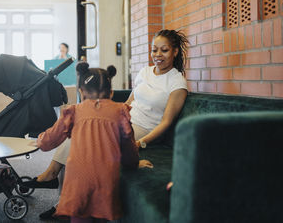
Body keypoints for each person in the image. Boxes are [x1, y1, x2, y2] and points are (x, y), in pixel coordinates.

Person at [26, 29, 189, 219]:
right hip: (127, 119)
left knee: (80, 139)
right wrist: (107, 112)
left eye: (164, 50)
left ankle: (54, 182)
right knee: (76, 133)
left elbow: (166, 123)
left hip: (143, 128)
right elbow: (129, 102)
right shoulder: (145, 72)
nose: (158, 55)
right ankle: (61, 198)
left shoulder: (177, 82)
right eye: (154, 50)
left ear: (175, 51)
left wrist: (141, 142)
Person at [32, 62, 152, 223]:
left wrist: (40, 140)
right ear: (110, 93)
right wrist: (134, 164)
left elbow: (50, 140)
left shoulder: (73, 112)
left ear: (81, 92)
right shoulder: (120, 112)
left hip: (78, 181)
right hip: (106, 181)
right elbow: (128, 148)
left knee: (79, 217)